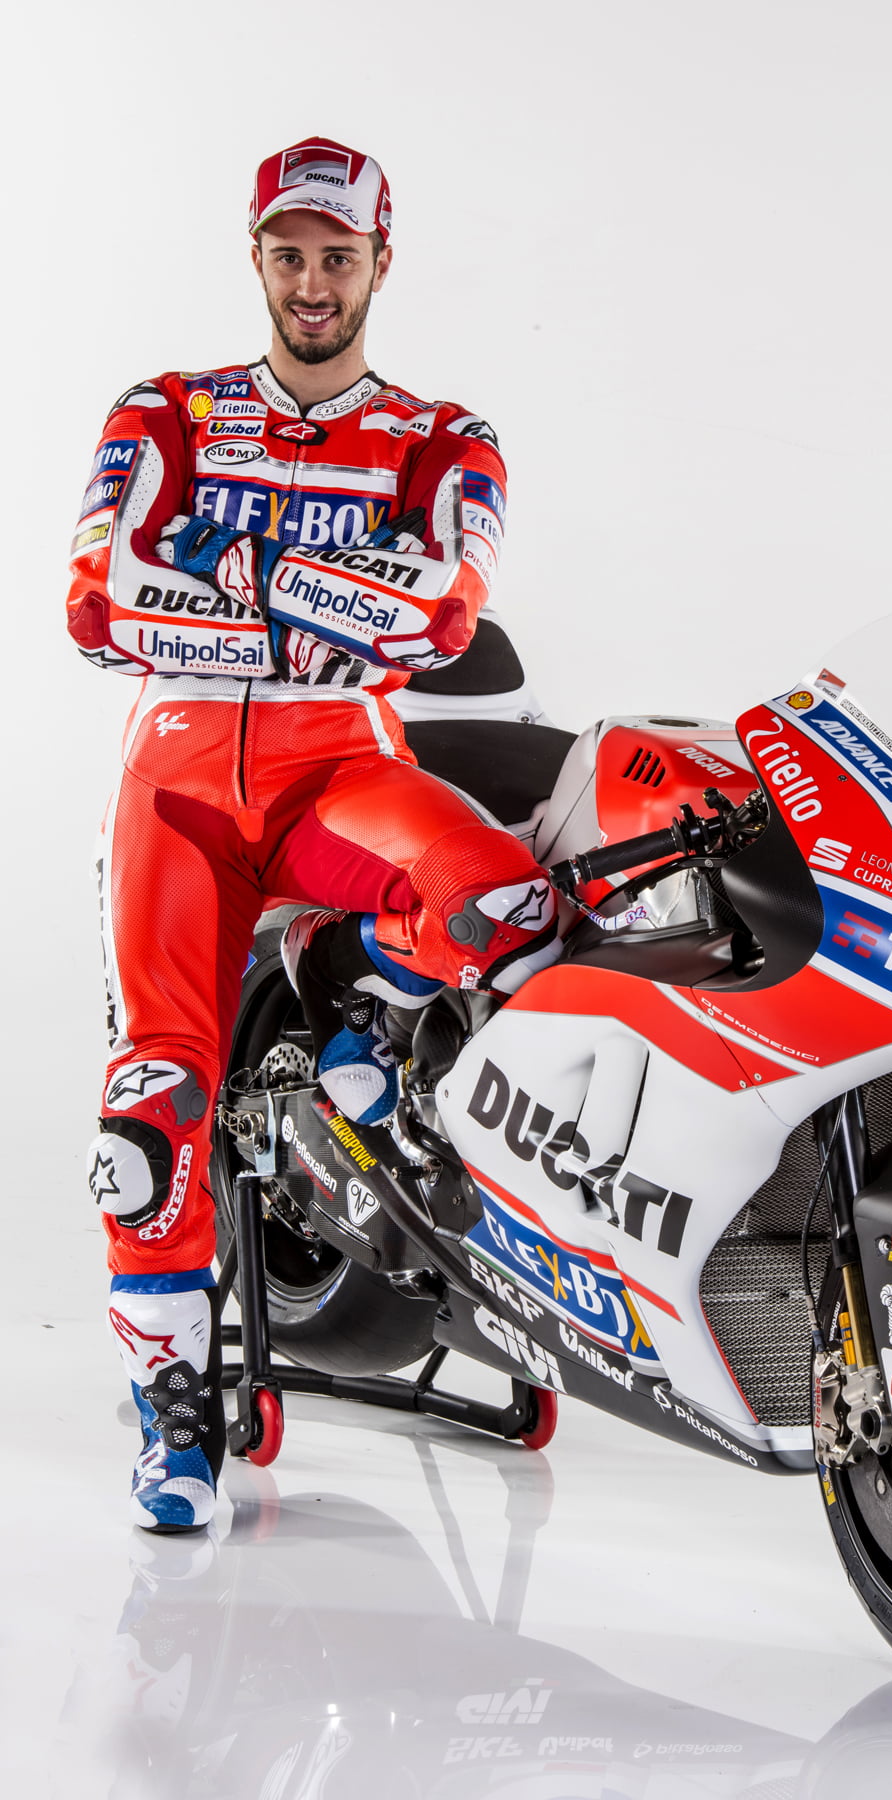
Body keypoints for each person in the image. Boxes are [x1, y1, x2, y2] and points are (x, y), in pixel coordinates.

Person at [67, 137, 560, 1534]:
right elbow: (97, 608)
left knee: (505, 905)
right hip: (177, 789)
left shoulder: (446, 437)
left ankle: (347, 1022)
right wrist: (334, 589)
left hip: (338, 767)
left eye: (338, 256)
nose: (312, 281)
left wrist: (233, 576)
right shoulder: (163, 410)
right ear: (257, 259)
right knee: (152, 1105)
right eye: (289, 254)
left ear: (380, 263)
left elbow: (439, 619)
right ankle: (173, 1407)